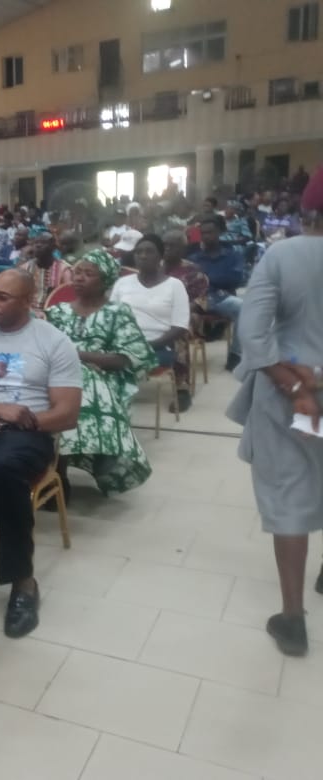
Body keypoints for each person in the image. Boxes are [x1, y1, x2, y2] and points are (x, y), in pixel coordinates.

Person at [0, 269, 81, 637]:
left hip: (29, 433)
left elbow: (67, 414)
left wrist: (16, 419)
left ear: (28, 301)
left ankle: (23, 581)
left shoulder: (53, 342)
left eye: (2, 297)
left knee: (2, 470)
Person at [226, 168, 323, 657]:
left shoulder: (282, 255)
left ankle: (292, 619)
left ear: (306, 212)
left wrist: (297, 387)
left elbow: (253, 335)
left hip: (290, 398)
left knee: (288, 495)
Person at [46, 250, 155, 496]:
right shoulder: (57, 312)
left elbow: (125, 358)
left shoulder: (117, 313)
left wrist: (77, 357)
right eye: (77, 272)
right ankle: (52, 471)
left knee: (82, 385)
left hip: (105, 379)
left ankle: (62, 472)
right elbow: (43, 349)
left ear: (105, 280)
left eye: (88, 274)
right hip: (56, 375)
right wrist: (77, 359)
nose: (79, 278)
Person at [111, 235, 193, 411]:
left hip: (159, 347)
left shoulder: (175, 286)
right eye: (138, 252)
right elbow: (110, 317)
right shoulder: (122, 283)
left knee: (116, 362)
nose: (143, 256)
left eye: (149, 252)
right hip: (123, 344)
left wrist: (148, 345)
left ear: (160, 256)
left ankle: (116, 404)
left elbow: (180, 326)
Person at [162, 230, 210, 409]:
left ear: (183, 249)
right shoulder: (154, 269)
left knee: (177, 331)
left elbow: (200, 301)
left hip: (187, 316)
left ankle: (182, 389)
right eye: (164, 245)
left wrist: (176, 313)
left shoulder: (193, 271)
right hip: (156, 315)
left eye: (172, 246)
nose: (167, 249)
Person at [191, 215, 244, 371]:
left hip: (221, 298)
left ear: (219, 233)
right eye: (203, 233)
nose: (206, 236)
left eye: (210, 232)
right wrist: (215, 280)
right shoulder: (195, 258)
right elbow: (192, 283)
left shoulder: (232, 255)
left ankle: (235, 355)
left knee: (244, 307)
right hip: (198, 300)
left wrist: (207, 279)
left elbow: (236, 279)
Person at [20, 229, 73, 313]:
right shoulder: (25, 268)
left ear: (53, 247)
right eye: (36, 243)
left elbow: (68, 296)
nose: (38, 245)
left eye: (43, 243)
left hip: (54, 314)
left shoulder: (64, 270)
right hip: (28, 313)